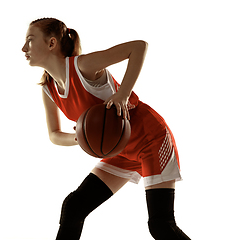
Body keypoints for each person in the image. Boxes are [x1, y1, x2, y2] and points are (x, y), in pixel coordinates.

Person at [22, 17, 191, 240]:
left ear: (51, 43)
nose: (24, 48)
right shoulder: (49, 88)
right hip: (119, 150)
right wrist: (79, 137)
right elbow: (54, 135)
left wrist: (123, 94)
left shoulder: (82, 67)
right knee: (74, 207)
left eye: (30, 40)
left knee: (161, 224)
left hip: (151, 138)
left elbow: (138, 47)